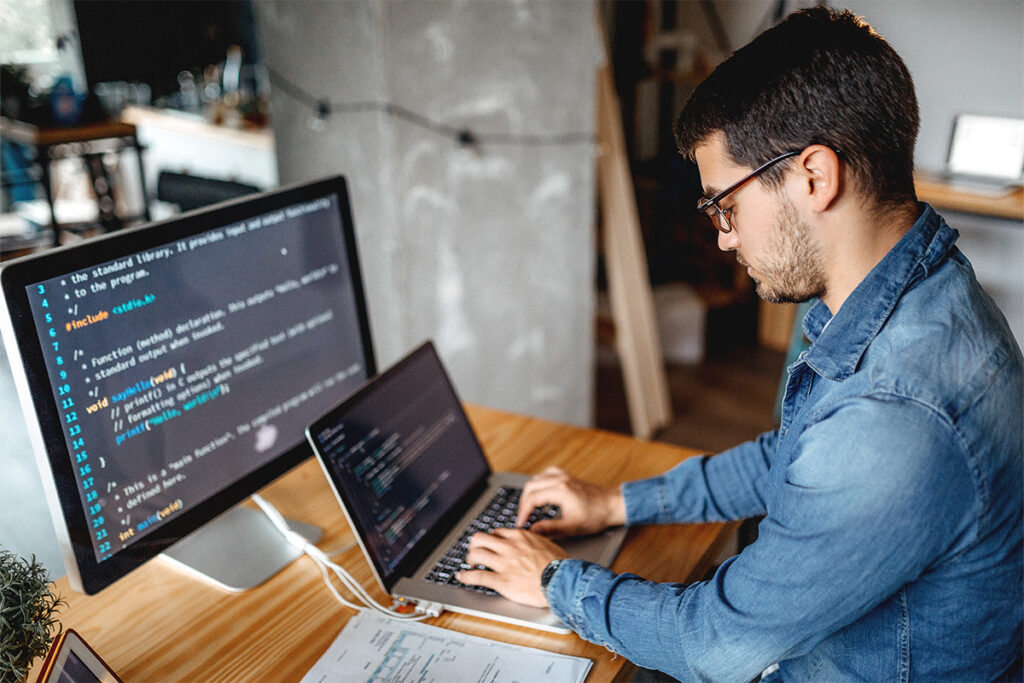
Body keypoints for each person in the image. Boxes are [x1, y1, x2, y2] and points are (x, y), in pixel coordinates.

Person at [455, 7, 1024, 681]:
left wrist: (553, 579)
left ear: (814, 176)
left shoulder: (893, 411)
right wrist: (618, 502)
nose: (723, 237)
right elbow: (795, 458)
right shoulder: (926, 291)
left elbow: (714, 645)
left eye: (725, 204)